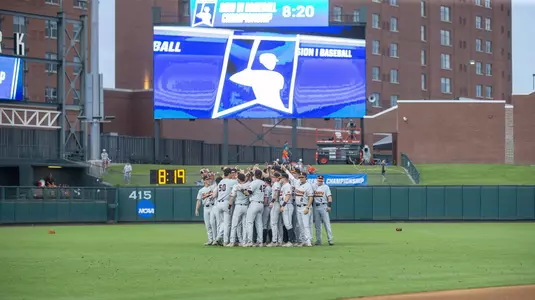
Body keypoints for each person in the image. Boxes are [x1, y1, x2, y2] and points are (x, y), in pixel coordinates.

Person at [212, 168, 238, 246]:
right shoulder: (232, 181)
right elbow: (239, 183)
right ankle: (225, 241)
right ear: (229, 173)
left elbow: (214, 194)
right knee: (227, 223)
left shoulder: (220, 182)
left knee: (222, 223)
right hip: (226, 203)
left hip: (218, 203)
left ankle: (218, 237)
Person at [244, 170, 265, 247]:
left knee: (249, 222)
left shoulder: (254, 182)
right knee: (259, 223)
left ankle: (250, 241)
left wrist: (243, 190)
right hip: (261, 204)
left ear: (255, 175)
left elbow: (247, 193)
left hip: (254, 203)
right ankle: (260, 242)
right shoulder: (263, 182)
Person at [227, 173, 250, 247]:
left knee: (234, 224)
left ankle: (232, 241)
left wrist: (229, 206)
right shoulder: (248, 185)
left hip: (238, 206)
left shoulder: (236, 186)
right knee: (245, 225)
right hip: (246, 206)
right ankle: (244, 242)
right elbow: (248, 194)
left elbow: (232, 197)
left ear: (239, 179)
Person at [293, 172, 315, 247]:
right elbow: (291, 177)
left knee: (306, 225)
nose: (301, 178)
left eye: (302, 177)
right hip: (298, 207)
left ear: (306, 178)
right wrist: (285, 169)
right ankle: (303, 241)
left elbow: (311, 197)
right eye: (300, 177)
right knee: (300, 225)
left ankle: (308, 241)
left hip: (305, 206)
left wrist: (307, 207)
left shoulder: (308, 186)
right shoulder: (298, 183)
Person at [313, 175, 334, 246]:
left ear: (323, 180)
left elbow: (329, 197)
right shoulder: (314, 186)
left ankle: (330, 240)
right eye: (319, 179)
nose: (320, 180)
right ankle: (319, 240)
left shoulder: (326, 187)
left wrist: (329, 206)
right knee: (317, 225)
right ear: (317, 179)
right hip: (316, 206)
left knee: (326, 223)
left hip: (323, 206)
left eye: (321, 179)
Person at [195, 176, 216, 246]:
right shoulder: (201, 190)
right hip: (206, 208)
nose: (208, 180)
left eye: (209, 179)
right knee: (207, 225)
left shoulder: (213, 187)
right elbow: (198, 200)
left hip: (213, 206)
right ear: (204, 181)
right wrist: (196, 209)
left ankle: (215, 240)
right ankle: (210, 240)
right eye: (207, 179)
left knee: (213, 223)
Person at [279, 173, 296, 247]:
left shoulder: (287, 186)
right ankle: (287, 240)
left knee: (288, 224)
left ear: (285, 178)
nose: (280, 179)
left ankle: (291, 241)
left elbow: (288, 196)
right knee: (286, 224)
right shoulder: (284, 186)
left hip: (287, 205)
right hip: (286, 205)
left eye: (281, 178)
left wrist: (283, 205)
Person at [267, 173, 284, 247]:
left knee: (273, 223)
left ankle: (274, 241)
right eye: (272, 176)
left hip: (275, 203)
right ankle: (280, 240)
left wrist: (272, 202)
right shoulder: (277, 183)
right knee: (279, 223)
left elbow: (276, 193)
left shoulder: (276, 183)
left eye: (274, 177)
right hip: (278, 204)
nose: (272, 178)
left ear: (277, 178)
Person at [262, 177, 272, 244]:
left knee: (264, 224)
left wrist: (263, 205)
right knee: (269, 224)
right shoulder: (271, 187)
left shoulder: (267, 188)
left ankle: (264, 240)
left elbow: (266, 199)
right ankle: (270, 240)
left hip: (266, 207)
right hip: (271, 207)